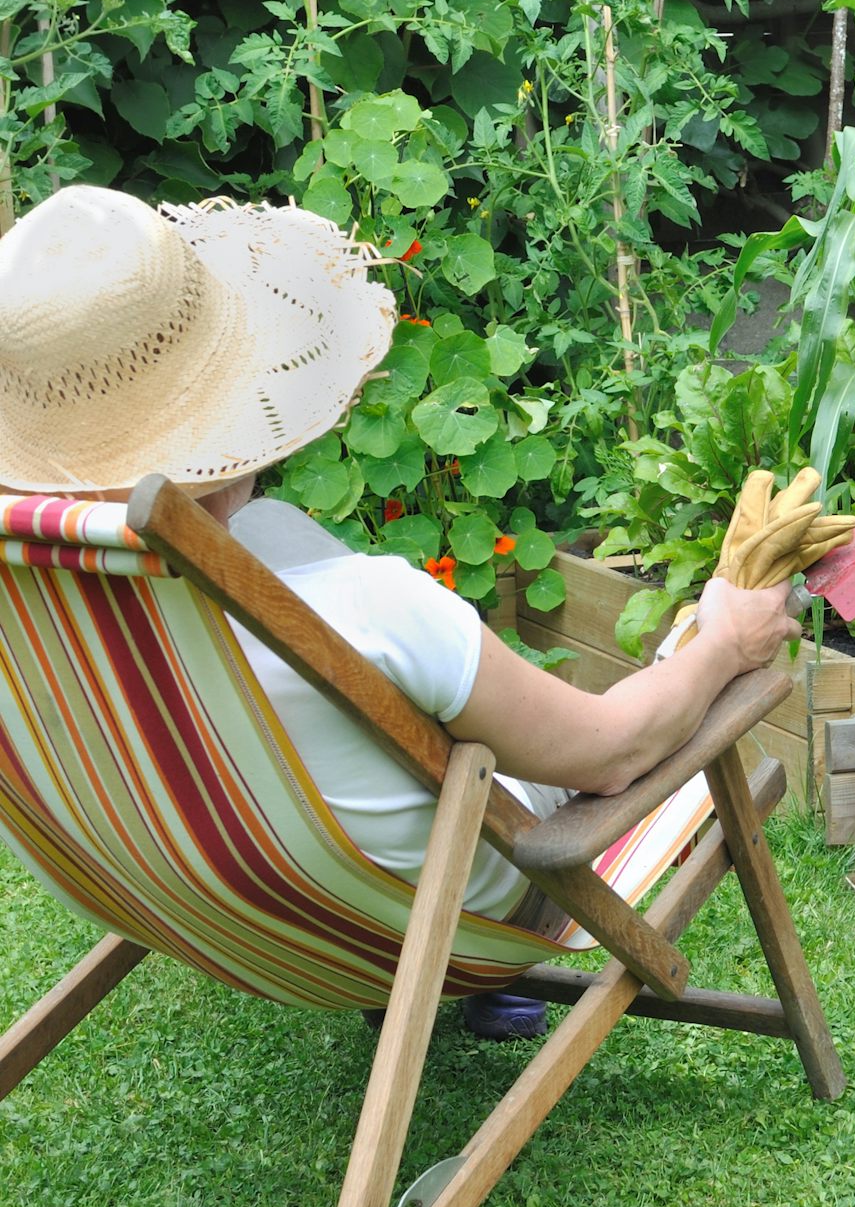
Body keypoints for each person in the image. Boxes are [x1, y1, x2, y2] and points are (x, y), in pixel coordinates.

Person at [0, 186, 800, 1036]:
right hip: (445, 906)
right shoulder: (366, 612)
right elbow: (611, 754)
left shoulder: (41, 598)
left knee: (287, 546)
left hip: (155, 884)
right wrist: (719, 644)